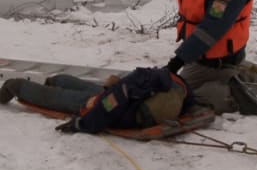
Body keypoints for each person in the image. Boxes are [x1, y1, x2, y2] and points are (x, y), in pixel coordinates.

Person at [0, 67, 194, 133]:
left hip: (129, 109)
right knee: (95, 92)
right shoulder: (174, 82)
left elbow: (103, 112)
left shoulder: (124, 91)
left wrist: (79, 123)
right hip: (133, 104)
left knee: (63, 98)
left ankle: (13, 86)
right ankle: (56, 80)